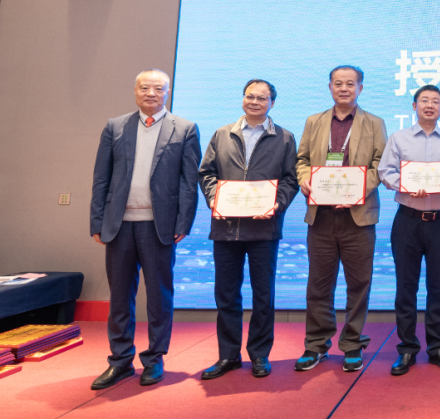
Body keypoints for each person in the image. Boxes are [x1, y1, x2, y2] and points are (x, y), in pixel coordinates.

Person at [88, 69, 201, 390]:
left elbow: (188, 182)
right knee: (119, 296)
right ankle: (120, 360)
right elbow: (101, 176)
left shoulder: (185, 128)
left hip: (159, 227)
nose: (151, 93)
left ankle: (154, 359)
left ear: (167, 92)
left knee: (159, 296)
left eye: (158, 88)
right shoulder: (115, 126)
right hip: (119, 225)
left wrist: (183, 222)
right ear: (135, 91)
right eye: (144, 88)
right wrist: (97, 220)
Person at [197, 79, 298, 380]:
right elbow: (206, 173)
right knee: (226, 295)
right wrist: (214, 198)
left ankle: (259, 355)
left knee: (263, 295)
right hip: (226, 227)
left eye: (262, 98)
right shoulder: (222, 134)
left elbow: (291, 179)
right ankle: (228, 355)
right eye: (250, 96)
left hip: (264, 228)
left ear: (272, 103)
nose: (255, 102)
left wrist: (277, 204)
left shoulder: (284, 138)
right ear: (243, 99)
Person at [294, 66, 387, 373]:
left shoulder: (374, 123)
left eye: (350, 83)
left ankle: (352, 343)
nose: (344, 88)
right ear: (330, 87)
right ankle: (316, 344)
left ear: (360, 88)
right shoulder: (314, 121)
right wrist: (305, 178)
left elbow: (380, 165)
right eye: (338, 83)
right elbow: (302, 160)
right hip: (321, 216)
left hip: (357, 217)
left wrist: (357, 190)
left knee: (358, 285)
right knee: (318, 285)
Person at [377, 85, 440, 375]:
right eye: (424, 100)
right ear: (414, 106)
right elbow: (385, 171)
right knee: (406, 287)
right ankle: (406, 348)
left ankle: (438, 346)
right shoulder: (399, 138)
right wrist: (405, 185)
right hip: (408, 220)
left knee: (438, 286)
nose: (429, 105)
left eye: (435, 101)